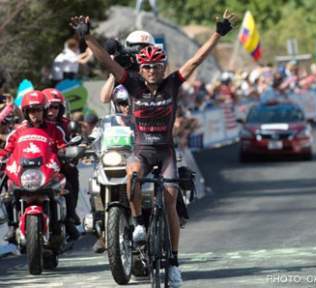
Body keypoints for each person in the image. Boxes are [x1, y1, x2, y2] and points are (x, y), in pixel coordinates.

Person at [70, 9, 238, 287]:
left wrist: (218, 34)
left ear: (163, 67)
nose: (151, 71)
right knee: (132, 175)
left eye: (157, 66)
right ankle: (137, 224)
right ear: (141, 68)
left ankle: (173, 262)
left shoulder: (172, 83)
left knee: (171, 200)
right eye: (147, 67)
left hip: (166, 151)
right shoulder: (132, 84)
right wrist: (87, 37)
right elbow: (106, 61)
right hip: (142, 151)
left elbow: (196, 60)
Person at [0, 91, 80, 242]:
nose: (35, 114)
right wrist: (2, 157)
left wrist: (67, 152)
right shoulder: (17, 131)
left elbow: (63, 145)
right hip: (25, 172)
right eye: (31, 110)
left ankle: (68, 219)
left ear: (43, 110)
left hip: (47, 171)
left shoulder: (55, 129)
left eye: (38, 110)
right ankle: (12, 226)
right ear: (25, 112)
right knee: (8, 192)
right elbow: (7, 150)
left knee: (67, 185)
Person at [42, 88, 81, 232]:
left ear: (61, 108)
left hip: (58, 163)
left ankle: (70, 214)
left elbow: (68, 143)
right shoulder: (29, 124)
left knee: (71, 171)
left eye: (55, 107)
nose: (52, 110)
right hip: (35, 164)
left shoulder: (65, 124)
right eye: (48, 107)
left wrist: (72, 152)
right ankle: (14, 222)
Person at [100, 31, 155, 105]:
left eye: (146, 49)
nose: (140, 52)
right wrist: (114, 71)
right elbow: (104, 98)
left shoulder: (154, 69)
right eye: (136, 47)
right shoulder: (124, 65)